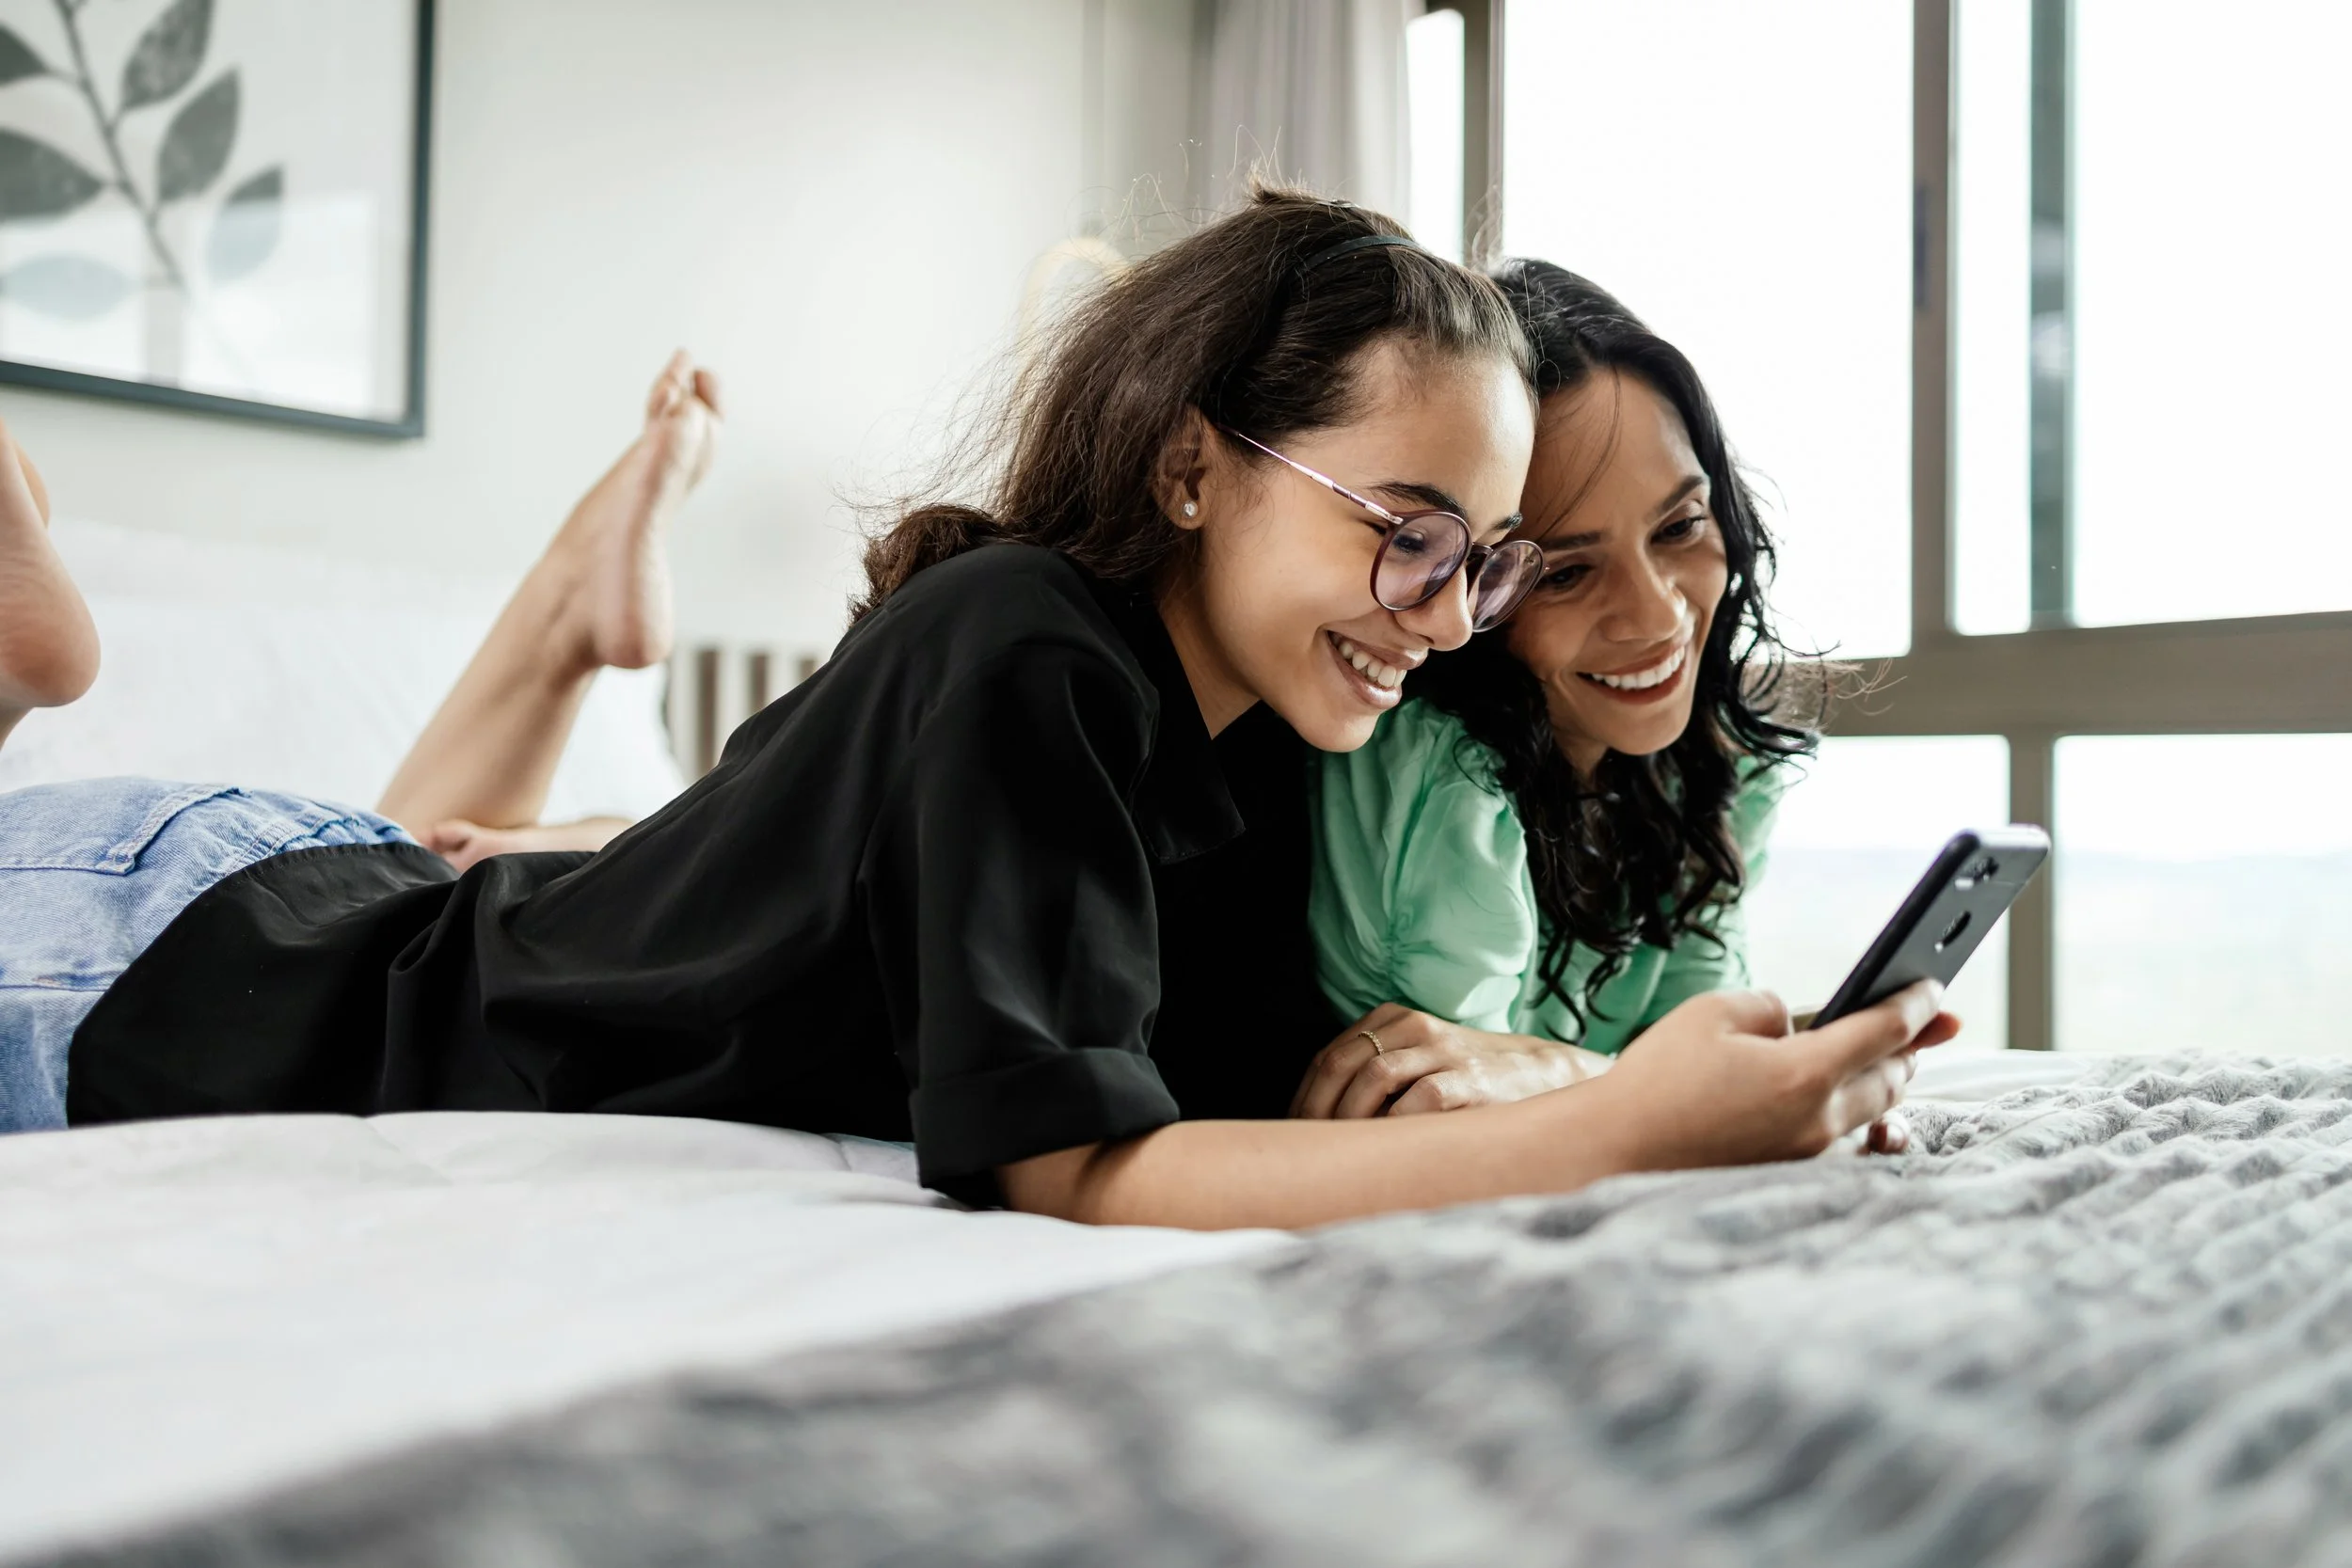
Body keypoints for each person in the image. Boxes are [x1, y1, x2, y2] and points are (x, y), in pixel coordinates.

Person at [0, 188, 1950, 1230]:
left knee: (481, 856)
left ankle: (557, 624)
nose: (1444, 619)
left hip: (327, 888)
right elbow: (1079, 1163)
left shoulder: (1265, 735)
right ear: (1196, 469)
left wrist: (1608, 1075)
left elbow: (1277, 1086)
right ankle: (39, 663)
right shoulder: (1030, 646)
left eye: (1482, 561)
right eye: (1406, 537)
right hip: (166, 956)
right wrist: (1625, 1130)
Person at [1293, 262, 1853, 1130]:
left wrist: (1555, 1067)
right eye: (1568, 572)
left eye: (1680, 527)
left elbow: (1694, 1041)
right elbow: (1454, 1123)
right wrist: (1617, 1078)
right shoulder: (1442, 783)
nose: (1656, 614)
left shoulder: (1704, 770)